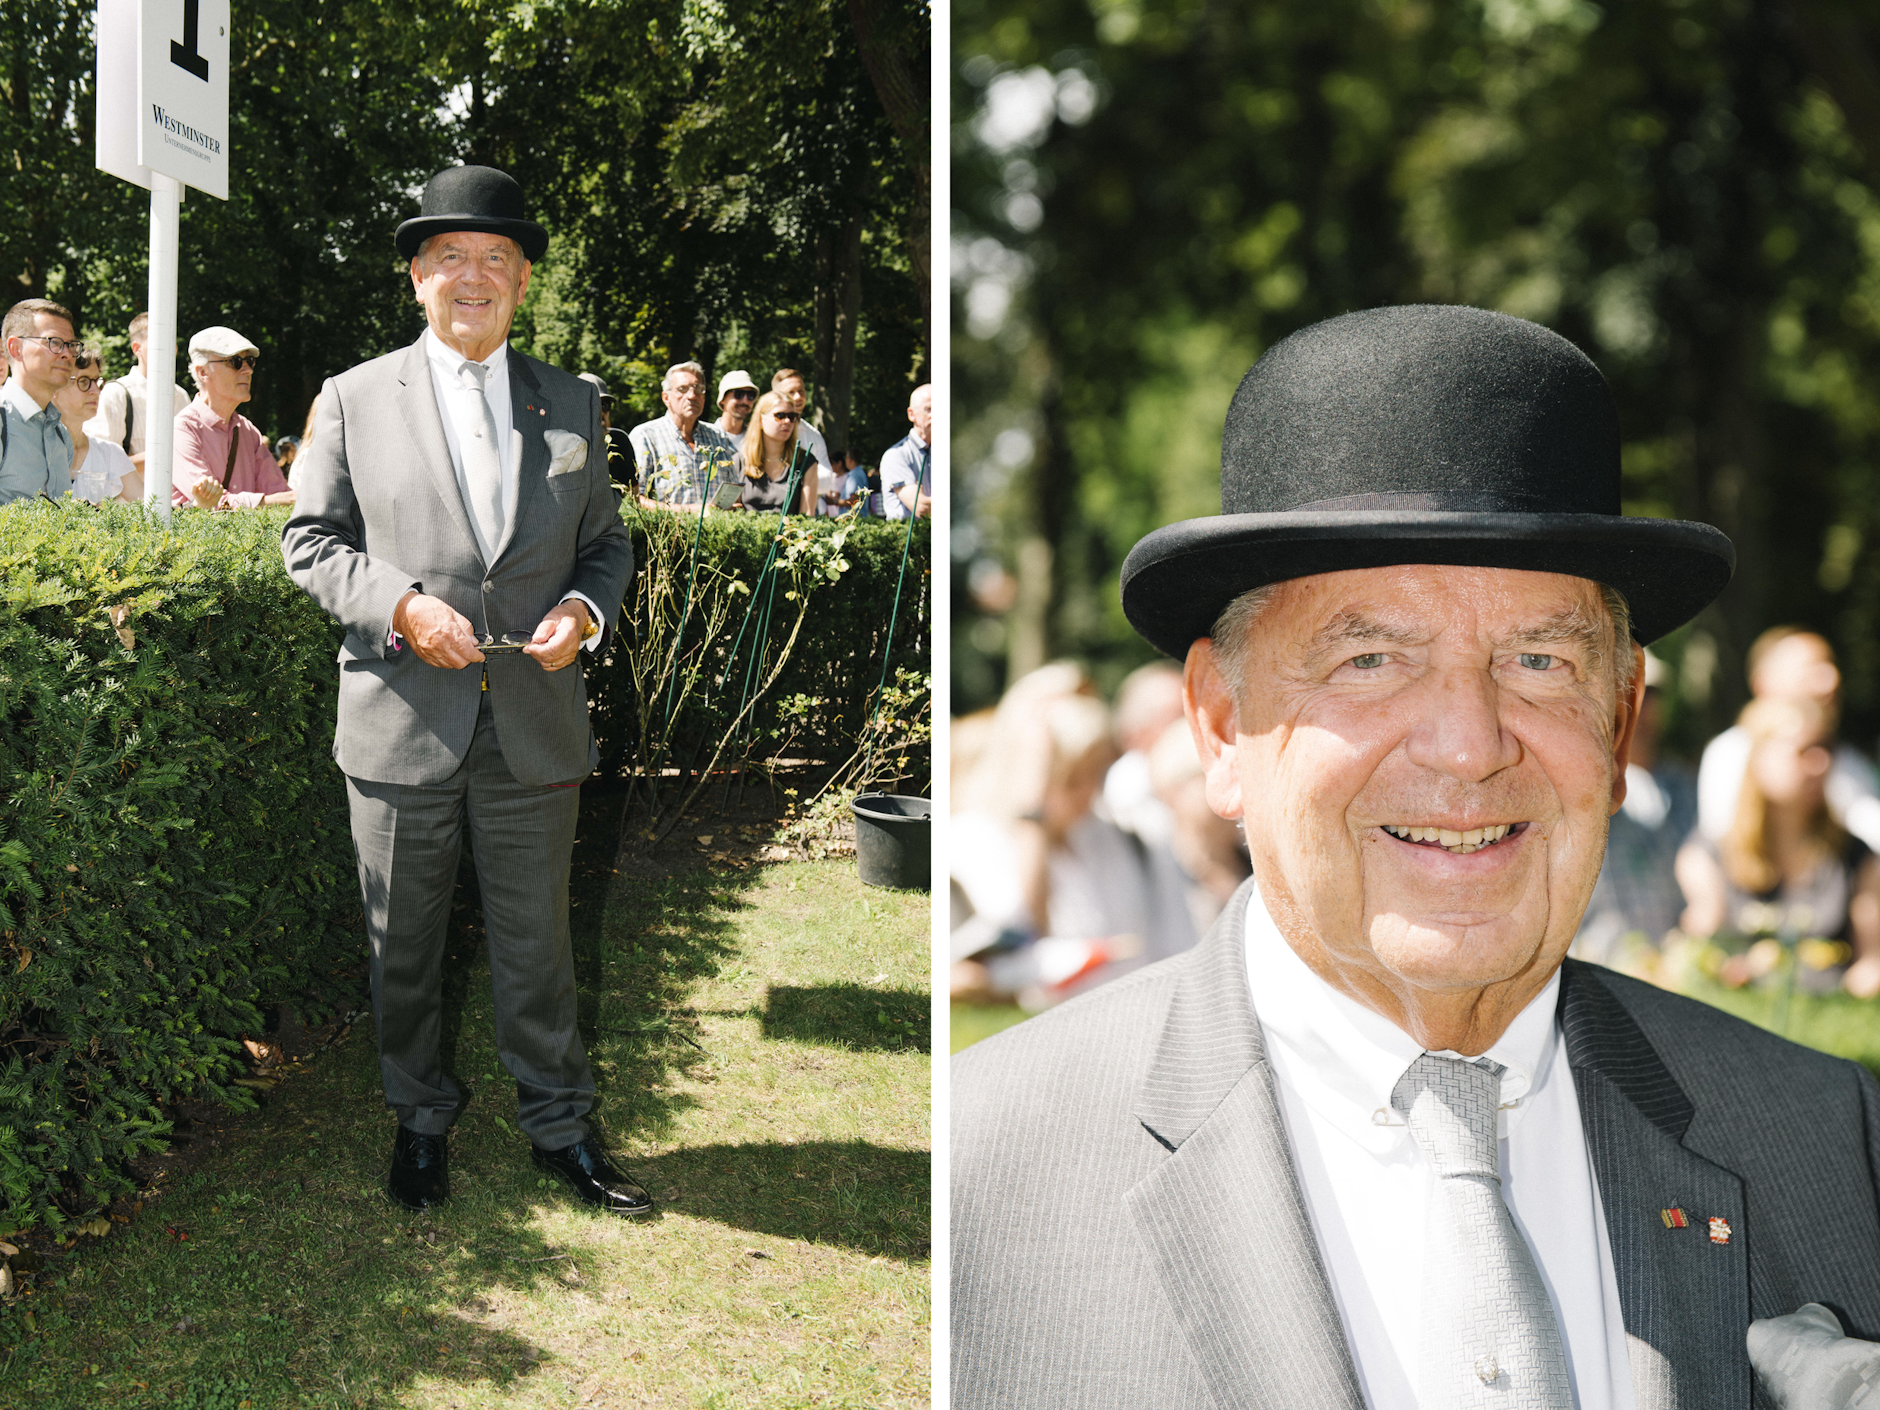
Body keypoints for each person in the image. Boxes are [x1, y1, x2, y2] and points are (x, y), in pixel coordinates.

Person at [952, 304, 1880, 1408]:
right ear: (1220, 726)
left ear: (1619, 722)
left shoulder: (1830, 1142)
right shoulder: (979, 1173)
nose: (1469, 746)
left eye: (1538, 661)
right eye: (1369, 661)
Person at [280, 165, 646, 1218]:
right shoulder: (351, 397)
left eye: (495, 258)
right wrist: (401, 607)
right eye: (451, 258)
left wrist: (582, 613)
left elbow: (605, 545)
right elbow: (309, 541)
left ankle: (560, 1128)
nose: (473, 276)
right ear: (417, 277)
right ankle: (419, 1120)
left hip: (533, 723)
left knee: (540, 945)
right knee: (403, 946)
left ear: (523, 280)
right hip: (400, 722)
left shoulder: (574, 401)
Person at [949, 664, 1154, 1010]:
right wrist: (1033, 812)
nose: (1088, 793)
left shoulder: (1104, 834)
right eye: (1073, 779)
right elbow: (1022, 934)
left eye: (1096, 774)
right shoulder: (973, 836)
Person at [1675, 696, 1880, 997]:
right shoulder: (1707, 855)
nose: (1821, 763)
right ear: (1759, 758)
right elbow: (1697, 949)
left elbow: (1871, 963)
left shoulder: (1857, 858)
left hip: (1830, 1007)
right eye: (1805, 751)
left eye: (1827, 749)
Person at [1696, 626, 1880, 853]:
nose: (1831, 682)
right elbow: (1719, 851)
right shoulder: (1730, 755)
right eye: (1812, 671)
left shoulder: (1852, 763)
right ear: (1763, 683)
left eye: (1832, 667)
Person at [1570, 651, 1697, 971]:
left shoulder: (1683, 785)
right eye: (1621, 692)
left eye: (1647, 694)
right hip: (1597, 962)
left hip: (1673, 962)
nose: (1637, 706)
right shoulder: (1577, 786)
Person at [172, 327, 295, 510]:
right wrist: (285, 499)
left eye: (250, 361)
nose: (248, 370)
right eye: (235, 362)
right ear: (203, 372)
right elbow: (214, 504)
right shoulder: (182, 430)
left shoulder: (247, 431)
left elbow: (280, 493)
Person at [83, 311, 189, 474]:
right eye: (160, 341)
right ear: (137, 349)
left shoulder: (181, 395)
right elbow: (100, 460)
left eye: (172, 341)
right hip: (129, 491)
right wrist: (164, 454)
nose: (169, 348)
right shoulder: (116, 393)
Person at [628, 360, 736, 511]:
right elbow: (634, 498)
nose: (692, 395)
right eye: (682, 389)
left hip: (717, 526)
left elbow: (733, 492)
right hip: (668, 526)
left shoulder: (718, 436)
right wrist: (690, 511)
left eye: (698, 389)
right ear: (666, 398)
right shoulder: (646, 436)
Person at [0, 297, 77, 505]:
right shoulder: (2, 421)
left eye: (71, 345)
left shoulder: (60, 434)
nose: (67, 354)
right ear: (16, 349)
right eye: (54, 342)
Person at [53, 352, 137, 505]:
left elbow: (153, 508)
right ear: (55, 388)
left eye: (97, 382)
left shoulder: (109, 453)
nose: (96, 391)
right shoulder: (36, 451)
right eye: (84, 381)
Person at [733, 391, 819, 515]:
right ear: (761, 420)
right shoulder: (738, 462)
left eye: (792, 416)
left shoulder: (806, 461)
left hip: (790, 528)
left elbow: (807, 516)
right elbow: (731, 513)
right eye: (780, 415)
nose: (787, 421)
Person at [577, 372, 634, 498]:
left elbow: (633, 496)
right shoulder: (563, 444)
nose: (599, 411)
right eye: (591, 404)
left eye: (604, 405)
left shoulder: (619, 441)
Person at [881, 383, 931, 520]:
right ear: (911, 414)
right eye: (929, 409)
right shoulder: (896, 455)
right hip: (908, 533)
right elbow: (922, 508)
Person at [769, 368, 832, 476]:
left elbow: (827, 477)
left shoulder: (813, 436)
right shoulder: (764, 431)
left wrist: (804, 480)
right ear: (776, 396)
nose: (798, 397)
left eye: (801, 391)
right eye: (791, 392)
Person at [713, 369, 758, 440]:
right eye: (739, 394)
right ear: (723, 399)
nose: (745, 401)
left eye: (751, 395)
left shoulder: (757, 439)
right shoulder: (707, 436)